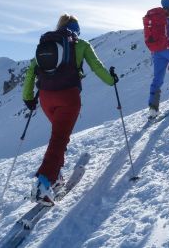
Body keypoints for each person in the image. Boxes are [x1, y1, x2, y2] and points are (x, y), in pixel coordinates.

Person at [22, 14, 118, 205]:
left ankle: (55, 176)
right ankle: (43, 183)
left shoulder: (47, 43)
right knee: (59, 138)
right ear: (76, 29)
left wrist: (28, 98)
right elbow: (97, 67)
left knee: (59, 135)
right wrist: (111, 80)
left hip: (46, 98)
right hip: (68, 97)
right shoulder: (80, 44)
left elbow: (31, 71)